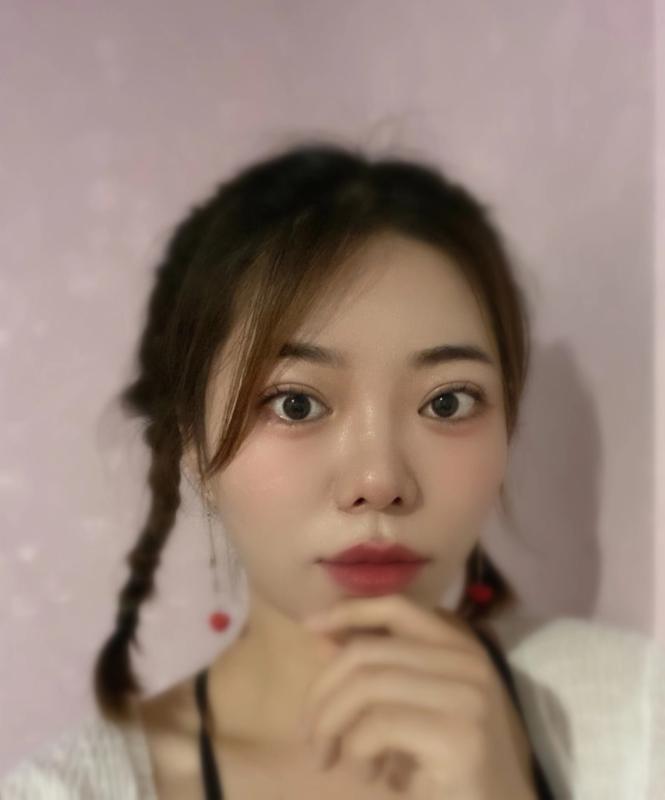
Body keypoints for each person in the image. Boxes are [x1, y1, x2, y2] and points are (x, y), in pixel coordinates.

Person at [2, 141, 663, 799]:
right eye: (295, 404)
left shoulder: (636, 717)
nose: (379, 482)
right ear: (191, 445)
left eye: (448, 402)